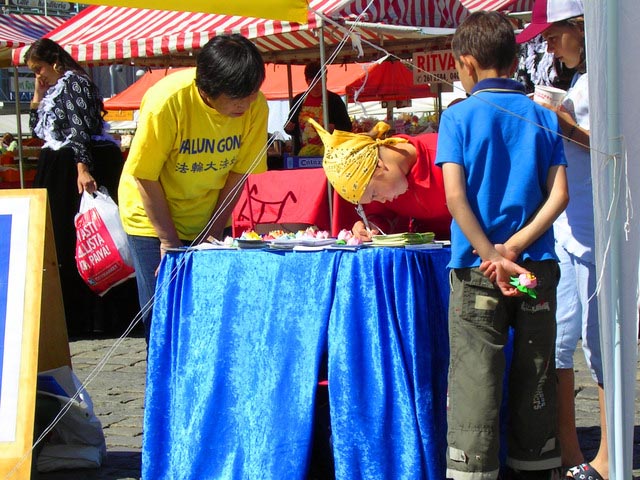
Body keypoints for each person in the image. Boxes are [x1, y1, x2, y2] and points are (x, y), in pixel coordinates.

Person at [435, 11, 569, 479]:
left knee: (476, 376)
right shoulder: (543, 116)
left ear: (467, 64)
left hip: (478, 270)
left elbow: (455, 197)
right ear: (515, 61)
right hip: (534, 270)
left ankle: (472, 469)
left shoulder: (457, 116)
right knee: (536, 371)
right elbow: (559, 196)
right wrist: (514, 248)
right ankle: (536, 463)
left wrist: (493, 254)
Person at [117, 34, 268, 343]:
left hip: (209, 214)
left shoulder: (255, 105)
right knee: (163, 314)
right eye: (237, 97)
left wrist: (212, 233)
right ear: (207, 89)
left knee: (211, 311)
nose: (246, 104)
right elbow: (145, 176)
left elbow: (238, 174)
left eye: (252, 93)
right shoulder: (167, 103)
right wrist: (169, 242)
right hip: (152, 216)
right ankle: (163, 374)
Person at [517, 2, 608, 479]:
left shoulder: (608, 78)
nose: (548, 45)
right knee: (560, 338)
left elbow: (615, 144)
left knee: (600, 343)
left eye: (553, 35)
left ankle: (608, 455)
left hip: (597, 228)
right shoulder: (579, 79)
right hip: (569, 228)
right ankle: (571, 453)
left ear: (580, 27)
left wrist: (560, 123)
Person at [25, 38, 125, 336]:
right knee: (62, 239)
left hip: (75, 166)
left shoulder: (74, 84)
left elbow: (80, 129)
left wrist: (83, 169)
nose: (38, 75)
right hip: (58, 167)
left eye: (39, 69)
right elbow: (37, 131)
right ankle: (68, 313)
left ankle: (93, 316)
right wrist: (37, 94)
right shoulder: (54, 90)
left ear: (54, 62)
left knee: (86, 236)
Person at [308, 118, 451, 240]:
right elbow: (382, 214)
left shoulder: (445, 155)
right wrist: (371, 225)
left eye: (374, 194)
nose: (382, 200)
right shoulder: (390, 181)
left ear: (378, 166)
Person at [284, 62, 352, 155]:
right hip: (303, 154)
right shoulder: (298, 100)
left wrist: (335, 128)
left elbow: (347, 126)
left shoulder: (334, 99)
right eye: (312, 82)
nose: (316, 86)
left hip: (329, 153)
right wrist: (288, 128)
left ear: (326, 80)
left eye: (319, 82)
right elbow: (292, 125)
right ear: (306, 81)